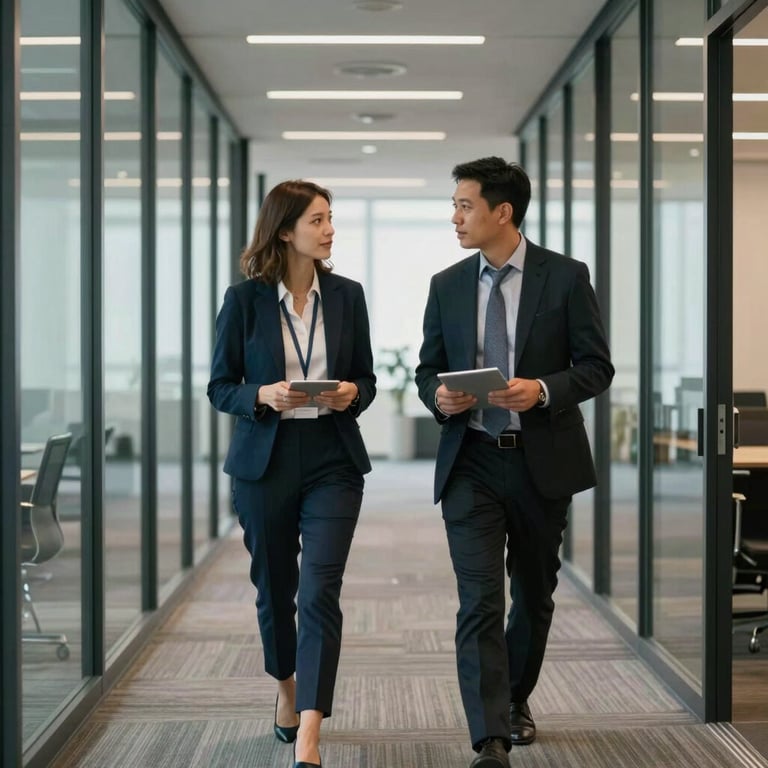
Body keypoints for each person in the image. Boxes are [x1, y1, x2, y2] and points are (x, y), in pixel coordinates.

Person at [415, 157, 613, 768]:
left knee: (533, 595)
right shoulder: (446, 284)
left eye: (465, 205)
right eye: (454, 206)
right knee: (479, 599)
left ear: (503, 212)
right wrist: (439, 397)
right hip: (471, 460)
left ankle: (516, 699)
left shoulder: (566, 276)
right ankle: (490, 736)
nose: (455, 217)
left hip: (540, 461)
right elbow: (426, 369)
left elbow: (596, 367)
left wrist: (543, 390)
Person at [208, 180, 376, 768]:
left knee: (319, 589)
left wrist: (352, 393)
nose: (330, 229)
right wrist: (263, 394)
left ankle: (310, 729)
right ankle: (285, 690)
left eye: (331, 218)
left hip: (333, 456)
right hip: (265, 462)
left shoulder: (348, 296)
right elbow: (220, 387)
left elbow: (367, 380)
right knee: (275, 588)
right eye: (319, 220)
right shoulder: (245, 300)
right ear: (286, 230)